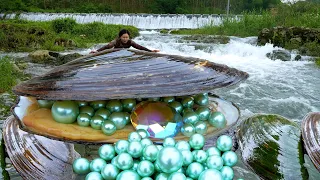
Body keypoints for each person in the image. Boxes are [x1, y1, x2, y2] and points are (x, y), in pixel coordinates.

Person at [90, 29, 160, 53]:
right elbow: (106, 47)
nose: (125, 39)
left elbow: (139, 47)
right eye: (123, 37)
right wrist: (97, 51)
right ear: (120, 37)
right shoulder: (115, 42)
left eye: (127, 37)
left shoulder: (130, 42)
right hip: (116, 52)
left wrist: (150, 51)